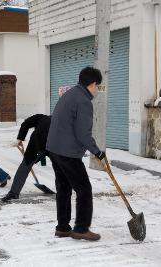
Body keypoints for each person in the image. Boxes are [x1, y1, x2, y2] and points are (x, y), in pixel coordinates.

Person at [46, 66, 105, 241]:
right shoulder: (84, 101)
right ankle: (81, 228)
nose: (97, 90)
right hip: (67, 152)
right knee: (84, 189)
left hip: (55, 149)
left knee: (63, 188)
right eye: (98, 86)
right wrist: (97, 152)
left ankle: (63, 227)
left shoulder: (70, 94)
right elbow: (83, 134)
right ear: (93, 84)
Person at [2, 114, 51, 202]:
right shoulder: (62, 120)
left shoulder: (40, 117)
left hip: (36, 140)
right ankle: (65, 191)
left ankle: (13, 193)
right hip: (54, 142)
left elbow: (25, 124)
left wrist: (20, 138)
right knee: (61, 167)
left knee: (25, 165)